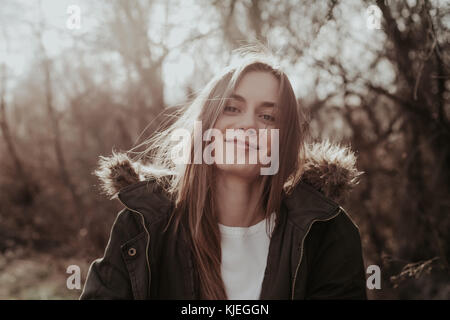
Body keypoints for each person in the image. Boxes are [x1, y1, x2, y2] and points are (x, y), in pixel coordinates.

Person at [80, 49, 367, 300]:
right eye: (232, 108)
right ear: (207, 125)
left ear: (285, 141)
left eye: (267, 117)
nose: (247, 125)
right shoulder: (143, 225)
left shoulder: (326, 231)